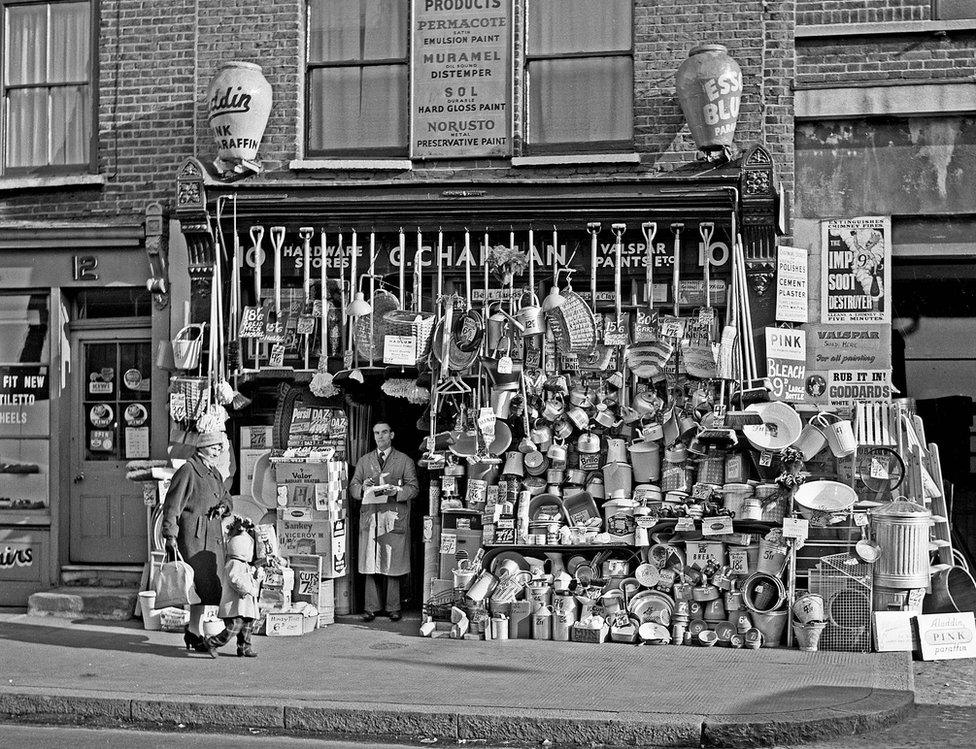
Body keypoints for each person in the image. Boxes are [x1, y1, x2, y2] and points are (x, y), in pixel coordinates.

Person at [161, 431, 233, 653]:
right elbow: (173, 505)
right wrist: (170, 535)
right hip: (193, 538)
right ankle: (194, 632)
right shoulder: (188, 470)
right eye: (214, 446)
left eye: (219, 447)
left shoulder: (214, 473)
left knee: (204, 588)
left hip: (211, 539)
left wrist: (222, 507)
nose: (218, 450)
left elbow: (226, 497)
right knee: (197, 585)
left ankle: (194, 631)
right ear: (202, 447)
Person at [349, 421, 419, 622]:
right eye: (376, 433)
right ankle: (371, 608)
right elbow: (353, 487)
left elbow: (413, 488)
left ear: (392, 435)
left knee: (392, 564)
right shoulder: (364, 461)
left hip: (392, 517)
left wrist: (397, 491)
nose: (380, 436)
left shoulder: (404, 461)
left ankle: (393, 607)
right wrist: (363, 487)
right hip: (371, 517)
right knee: (370, 564)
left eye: (384, 432)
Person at [204, 516, 263, 658]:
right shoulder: (234, 563)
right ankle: (213, 642)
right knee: (234, 626)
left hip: (245, 604)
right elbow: (235, 580)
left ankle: (244, 647)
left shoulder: (243, 564)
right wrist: (248, 589)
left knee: (248, 624)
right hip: (235, 604)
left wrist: (256, 577)